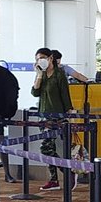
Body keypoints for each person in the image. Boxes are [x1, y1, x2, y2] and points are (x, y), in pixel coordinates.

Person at [31, 47, 73, 191]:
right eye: (37, 58)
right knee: (49, 147)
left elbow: (65, 95)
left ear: (50, 58)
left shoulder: (59, 74)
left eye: (42, 57)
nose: (39, 61)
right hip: (43, 116)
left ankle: (68, 171)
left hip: (57, 116)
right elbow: (35, 92)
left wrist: (68, 113)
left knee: (46, 147)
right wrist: (39, 75)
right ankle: (54, 179)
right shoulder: (40, 74)